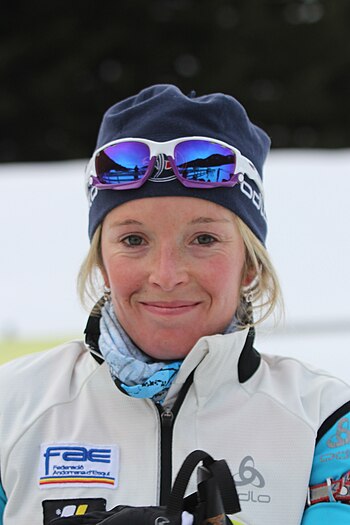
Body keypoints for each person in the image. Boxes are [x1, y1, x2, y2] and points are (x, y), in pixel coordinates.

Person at [0, 84, 349, 525]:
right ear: (103, 264)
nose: (166, 274)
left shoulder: (326, 420)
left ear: (250, 266)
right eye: (133, 240)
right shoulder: (10, 407)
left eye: (203, 239)